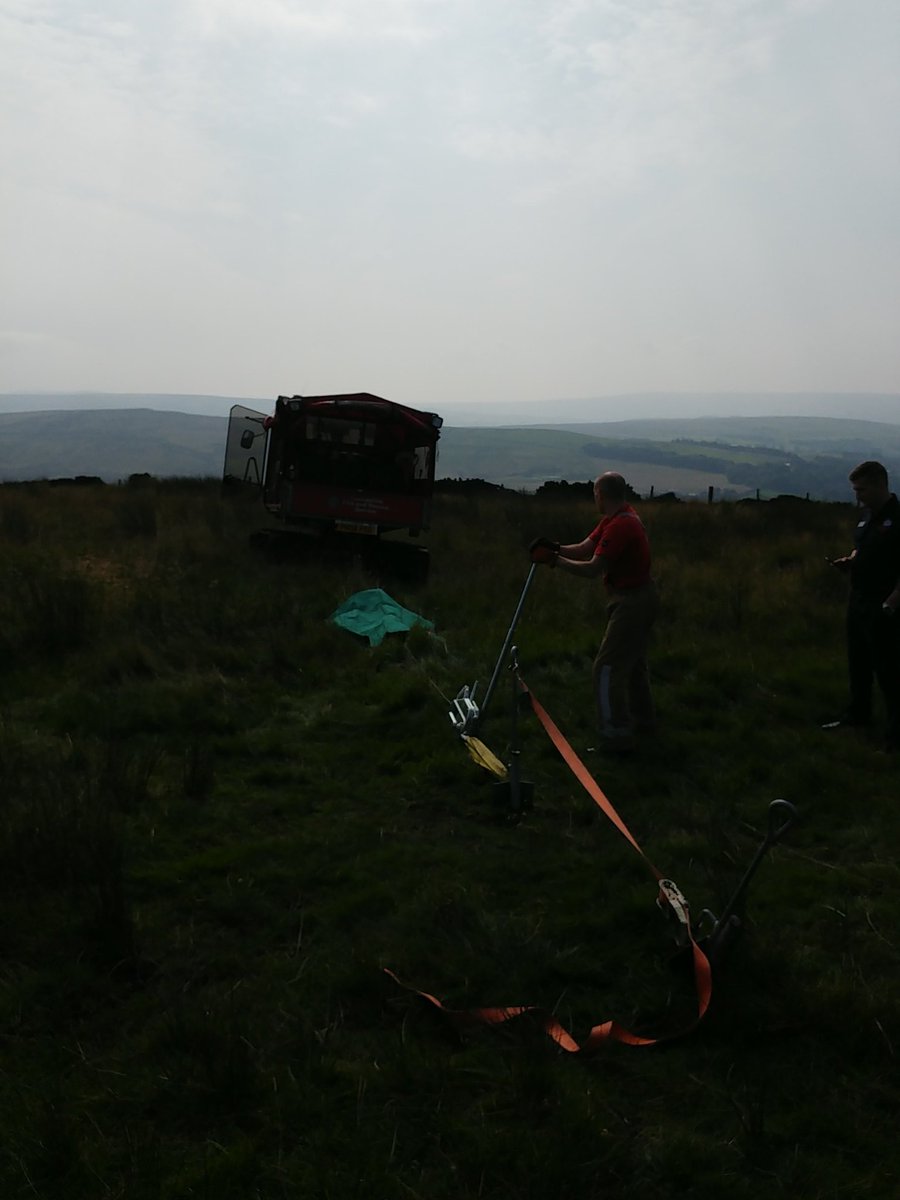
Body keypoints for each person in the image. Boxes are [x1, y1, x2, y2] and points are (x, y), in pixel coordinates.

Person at [530, 472, 659, 752]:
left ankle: (615, 736)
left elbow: (593, 567)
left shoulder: (620, 526)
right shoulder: (617, 518)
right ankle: (644, 723)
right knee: (633, 664)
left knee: (606, 668)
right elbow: (586, 548)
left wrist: (554, 560)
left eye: (594, 493)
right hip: (637, 597)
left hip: (633, 602)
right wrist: (556, 548)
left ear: (601, 494)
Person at [823, 460, 900, 752]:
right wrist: (851, 560)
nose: (858, 497)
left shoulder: (898, 520)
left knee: (889, 671)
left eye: (862, 490)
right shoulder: (868, 516)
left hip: (884, 606)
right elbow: (864, 547)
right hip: (858, 600)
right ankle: (858, 716)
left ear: (881, 485)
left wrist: (891, 604)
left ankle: (895, 735)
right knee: (859, 663)